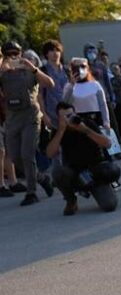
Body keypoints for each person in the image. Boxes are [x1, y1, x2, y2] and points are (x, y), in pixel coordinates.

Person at [0, 41, 55, 206]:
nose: (13, 57)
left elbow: (50, 84)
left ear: (21, 53)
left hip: (30, 117)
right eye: (9, 54)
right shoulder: (3, 73)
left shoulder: (29, 70)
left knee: (27, 155)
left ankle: (31, 192)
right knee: (15, 157)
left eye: (15, 54)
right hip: (12, 120)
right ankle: (41, 178)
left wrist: (33, 68)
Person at [45, 101, 120, 215]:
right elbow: (50, 154)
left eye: (70, 115)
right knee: (58, 172)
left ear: (75, 113)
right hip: (75, 173)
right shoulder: (58, 131)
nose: (69, 119)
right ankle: (71, 200)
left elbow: (107, 144)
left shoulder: (87, 123)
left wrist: (85, 130)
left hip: (95, 171)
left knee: (110, 205)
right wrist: (61, 130)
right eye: (65, 117)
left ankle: (103, 188)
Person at [39, 41, 68, 134]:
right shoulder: (42, 71)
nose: (55, 53)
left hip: (68, 113)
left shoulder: (67, 70)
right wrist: (44, 115)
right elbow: (40, 95)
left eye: (57, 50)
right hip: (51, 115)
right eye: (52, 50)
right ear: (46, 54)